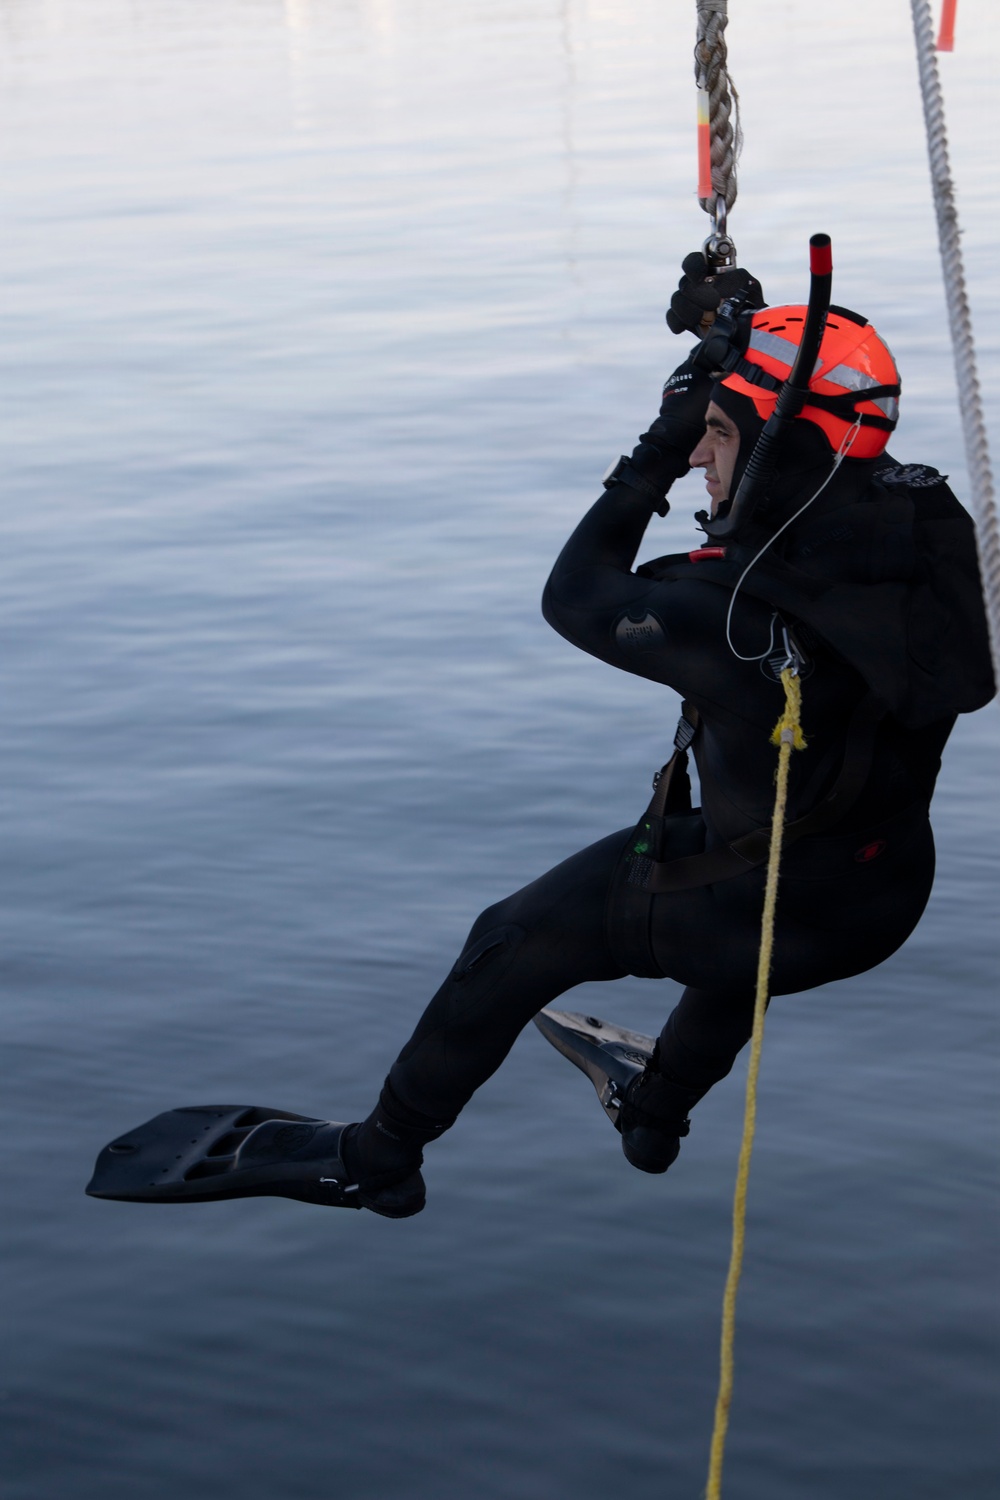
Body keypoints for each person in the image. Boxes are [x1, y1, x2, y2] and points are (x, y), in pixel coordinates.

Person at [87, 256, 994, 1218]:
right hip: (880, 891)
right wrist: (735, 337)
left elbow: (576, 593)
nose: (699, 460)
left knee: (517, 938)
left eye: (718, 439)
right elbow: (815, 401)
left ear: (774, 454)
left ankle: (378, 1156)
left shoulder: (732, 626)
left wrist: (669, 419)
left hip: (776, 905)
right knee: (741, 912)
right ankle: (654, 1112)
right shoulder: (924, 526)